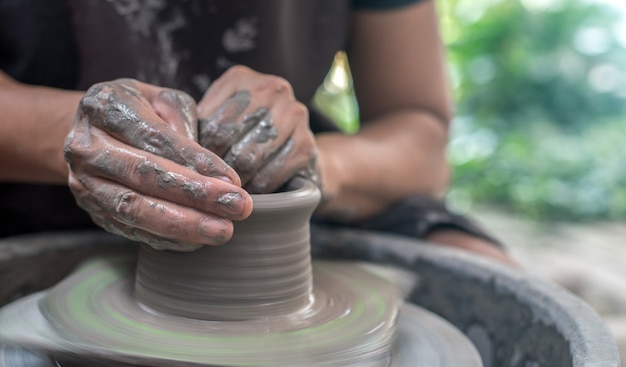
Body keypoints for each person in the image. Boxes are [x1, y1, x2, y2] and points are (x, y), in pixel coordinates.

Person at [0, 0, 511, 263]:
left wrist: (313, 168)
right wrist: (81, 134)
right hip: (32, 192)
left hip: (279, 205)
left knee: (482, 275)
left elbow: (419, 135)